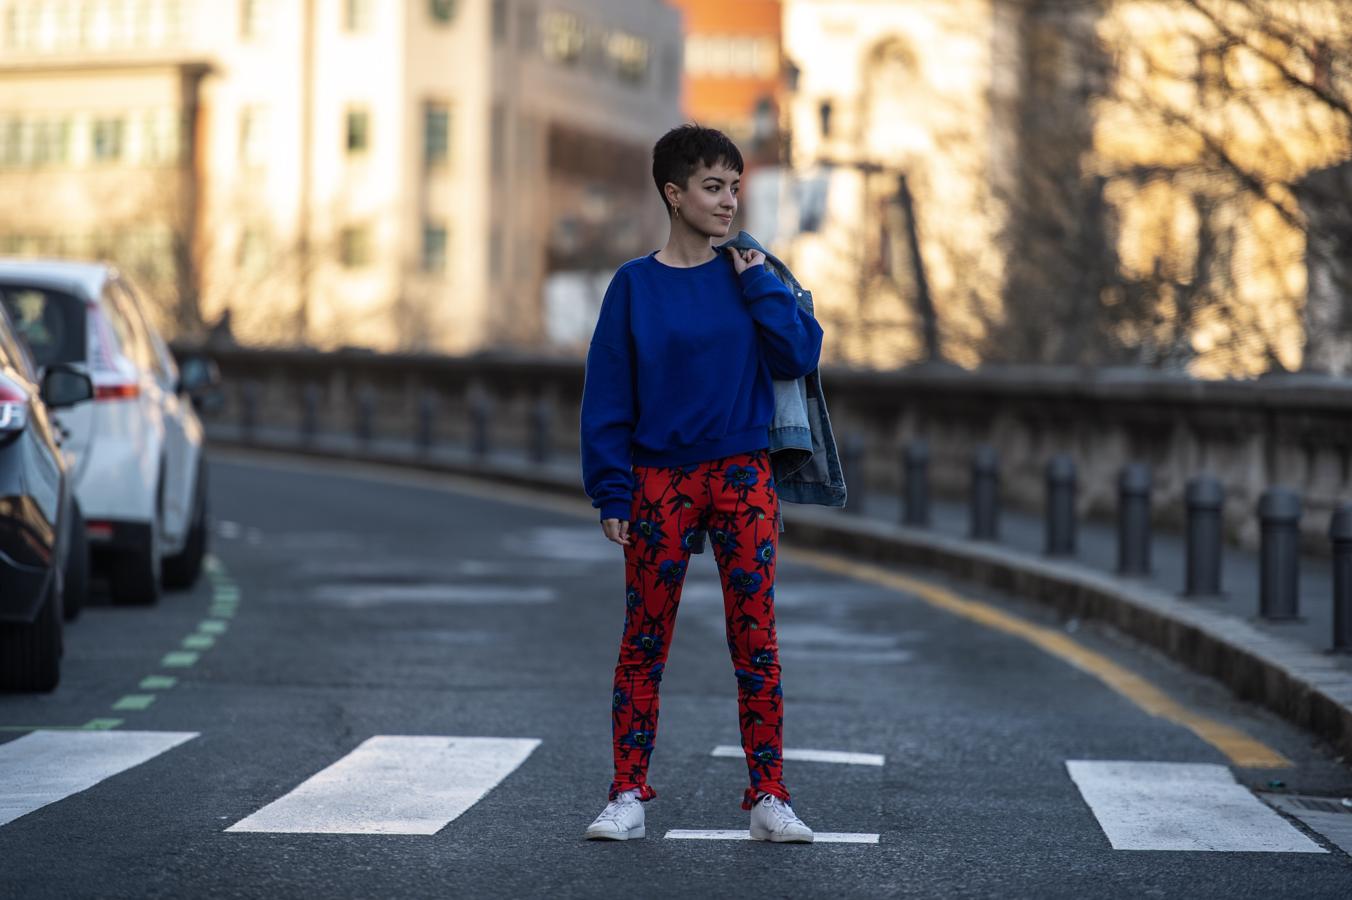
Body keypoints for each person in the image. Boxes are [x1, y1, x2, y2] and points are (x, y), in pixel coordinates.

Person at [579, 124, 825, 843]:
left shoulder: (751, 273)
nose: (728, 201)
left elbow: (801, 352)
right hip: (658, 481)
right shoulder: (633, 287)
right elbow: (608, 396)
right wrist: (610, 491)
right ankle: (626, 794)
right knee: (644, 639)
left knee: (757, 640)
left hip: (743, 475)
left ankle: (769, 797)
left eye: (735, 187)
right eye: (713, 187)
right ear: (674, 193)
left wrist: (761, 289)